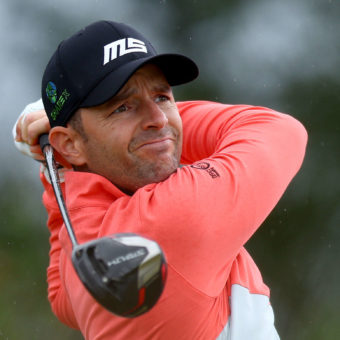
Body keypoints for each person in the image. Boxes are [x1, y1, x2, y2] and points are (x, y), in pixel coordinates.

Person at [13, 20, 307, 340]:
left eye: (163, 97)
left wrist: (61, 156)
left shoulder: (85, 246)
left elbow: (62, 298)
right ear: (70, 144)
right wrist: (163, 128)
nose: (157, 119)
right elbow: (280, 130)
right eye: (122, 107)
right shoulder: (174, 216)